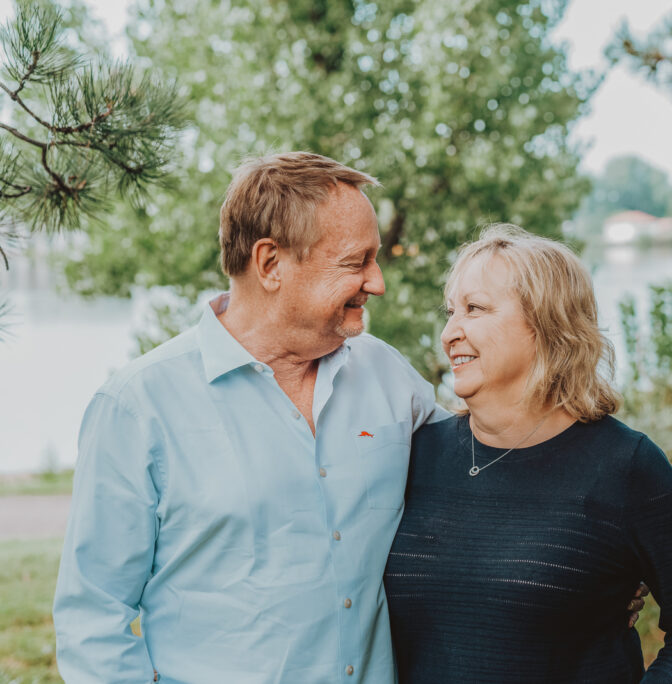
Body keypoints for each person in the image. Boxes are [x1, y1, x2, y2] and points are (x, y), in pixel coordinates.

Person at [52, 152, 446, 683]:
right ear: (270, 264)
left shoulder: (386, 373)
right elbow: (93, 619)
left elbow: (484, 464)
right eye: (357, 262)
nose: (377, 282)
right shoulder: (138, 407)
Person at [385, 224, 672, 683]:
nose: (450, 332)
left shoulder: (625, 466)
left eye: (475, 309)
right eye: (451, 311)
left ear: (547, 325)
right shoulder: (416, 454)